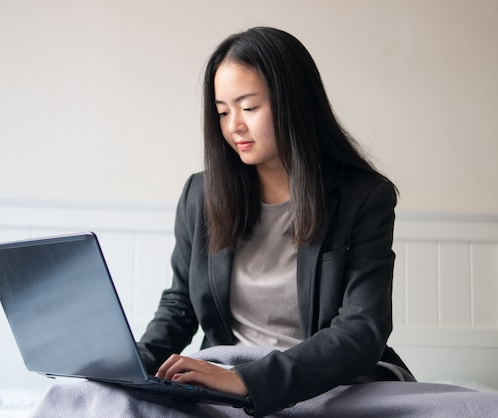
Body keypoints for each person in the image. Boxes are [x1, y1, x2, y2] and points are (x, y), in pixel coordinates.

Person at [136, 26, 413, 417]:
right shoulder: (200, 195)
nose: (234, 126)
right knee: (94, 401)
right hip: (225, 376)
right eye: (222, 112)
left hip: (331, 382)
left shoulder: (364, 198)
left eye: (248, 108)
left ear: (294, 103)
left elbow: (361, 330)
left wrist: (250, 381)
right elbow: (179, 306)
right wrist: (132, 366)